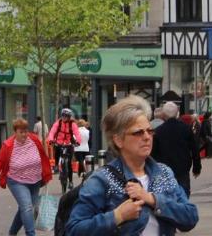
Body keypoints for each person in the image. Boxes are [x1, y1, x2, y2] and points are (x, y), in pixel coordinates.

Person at [65, 95, 198, 236]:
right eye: (138, 132)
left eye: (149, 131)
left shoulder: (163, 173)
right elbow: (74, 229)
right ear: (118, 140)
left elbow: (190, 217)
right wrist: (118, 216)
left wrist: (152, 199)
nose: (147, 137)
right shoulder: (102, 180)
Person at [0, 118, 52, 236]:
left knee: (25, 207)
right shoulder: (8, 145)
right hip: (17, 181)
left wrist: (47, 174)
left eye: (26, 131)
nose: (24, 134)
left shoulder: (34, 140)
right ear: (15, 132)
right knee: (27, 207)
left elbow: (43, 158)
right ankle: (31, 234)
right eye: (21, 132)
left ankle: (12, 232)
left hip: (35, 180)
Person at [151, 102, 201, 196]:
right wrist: (196, 168)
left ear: (163, 115)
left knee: (168, 196)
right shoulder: (186, 129)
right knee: (184, 195)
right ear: (177, 112)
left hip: (164, 170)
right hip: (183, 168)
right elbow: (194, 149)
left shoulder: (158, 132)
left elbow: (154, 154)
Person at [48, 108, 83, 192]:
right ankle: (56, 165)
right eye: (63, 116)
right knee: (57, 151)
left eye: (66, 116)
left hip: (69, 144)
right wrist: (51, 139)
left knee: (69, 164)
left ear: (69, 117)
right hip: (59, 143)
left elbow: (77, 134)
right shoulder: (58, 123)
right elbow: (52, 132)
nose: (64, 118)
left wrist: (78, 141)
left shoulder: (73, 124)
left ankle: (70, 181)